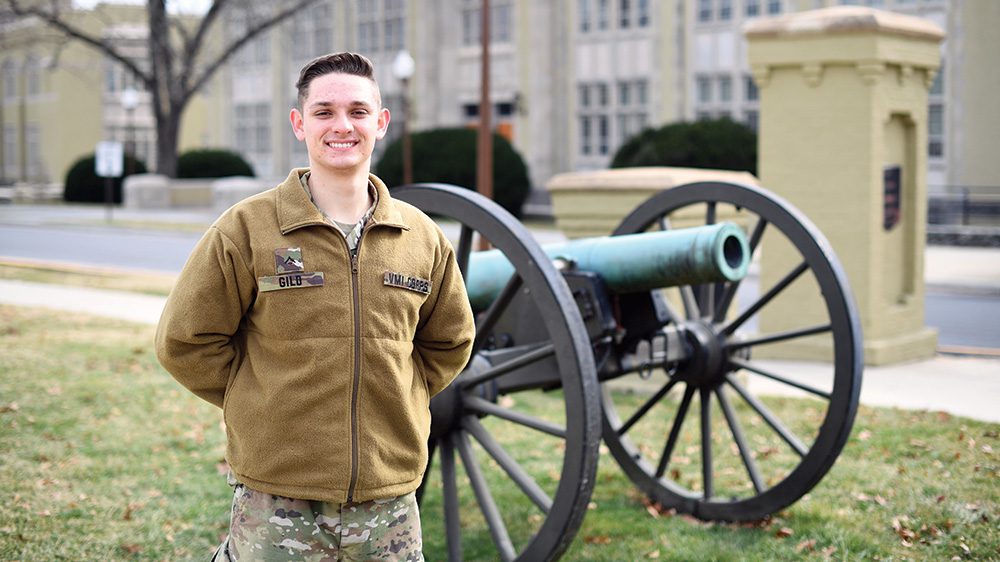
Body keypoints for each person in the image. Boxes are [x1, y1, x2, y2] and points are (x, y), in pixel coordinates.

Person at [155, 52, 475, 560]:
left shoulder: (421, 237)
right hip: (277, 496)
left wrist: (397, 395)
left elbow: (450, 341)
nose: (342, 125)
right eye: (324, 112)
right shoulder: (246, 229)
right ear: (299, 123)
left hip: (388, 501)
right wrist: (260, 398)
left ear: (381, 122)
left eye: (358, 111)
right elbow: (184, 341)